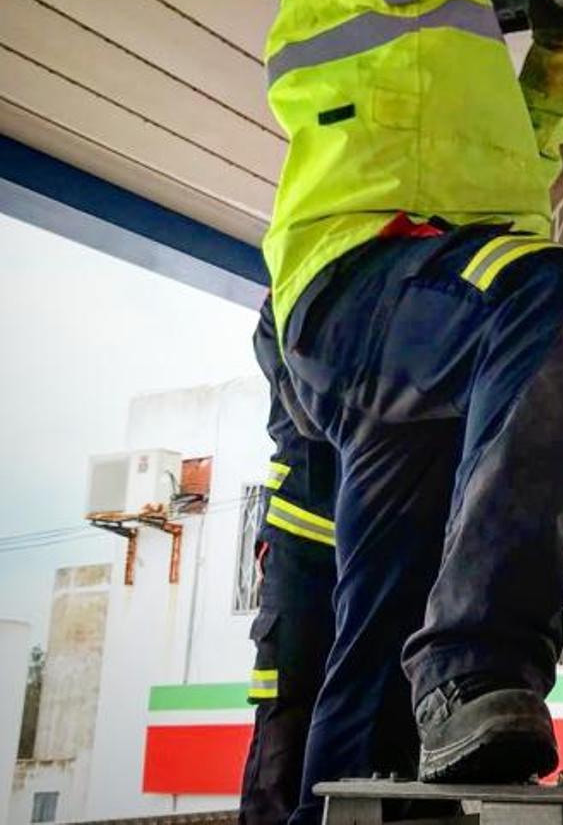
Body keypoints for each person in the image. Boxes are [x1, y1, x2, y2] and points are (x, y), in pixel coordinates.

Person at [213, 0, 563, 822]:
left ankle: (367, 787)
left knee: (382, 628)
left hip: (393, 332)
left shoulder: (425, 3)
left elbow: (519, 158)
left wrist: (561, 33)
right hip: (369, 281)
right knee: (558, 303)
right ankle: (479, 659)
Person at [238, 298, 337, 825]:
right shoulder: (293, 298)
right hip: (303, 543)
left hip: (379, 548)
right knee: (287, 717)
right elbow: (310, 410)